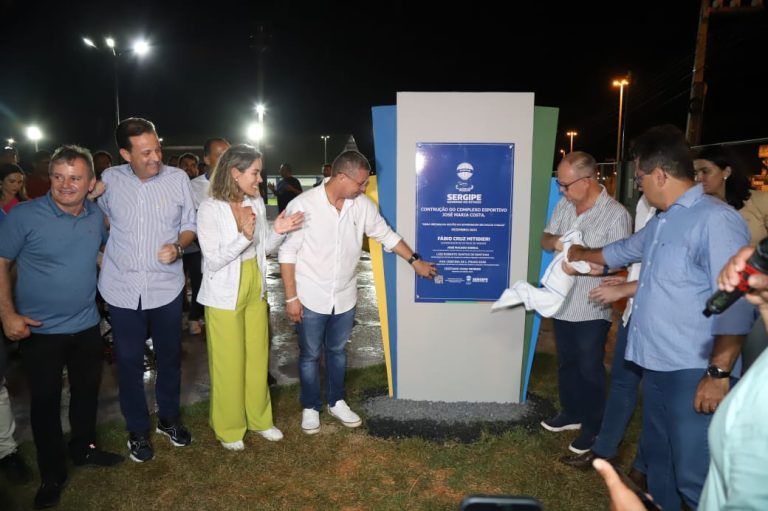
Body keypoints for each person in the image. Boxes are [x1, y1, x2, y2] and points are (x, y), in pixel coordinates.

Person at [568, 125, 754, 510]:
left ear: (660, 175)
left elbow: (736, 299)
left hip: (694, 371)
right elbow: (623, 250)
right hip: (655, 365)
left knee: (695, 476)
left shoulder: (715, 220)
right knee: (661, 464)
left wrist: (718, 373)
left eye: (639, 178)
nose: (639, 186)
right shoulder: (663, 220)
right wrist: (581, 253)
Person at [278, 150, 437, 434]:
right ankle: (311, 407)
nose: (364, 188)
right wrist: (291, 298)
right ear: (341, 177)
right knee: (310, 354)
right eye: (361, 183)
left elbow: (386, 235)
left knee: (338, 351)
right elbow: (287, 253)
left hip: (345, 296)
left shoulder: (362, 206)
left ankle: (336, 401)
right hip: (310, 296)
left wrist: (415, 261)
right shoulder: (303, 205)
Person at [0, 145, 123, 509]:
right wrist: (7, 314)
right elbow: (1, 262)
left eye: (75, 178)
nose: (65, 185)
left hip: (86, 326)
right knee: (45, 404)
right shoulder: (24, 215)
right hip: (39, 331)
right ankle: (52, 474)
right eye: (58, 177)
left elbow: (107, 252)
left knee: (86, 395)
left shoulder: (94, 216)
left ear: (90, 183)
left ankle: (84, 450)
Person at [98, 118, 197, 463]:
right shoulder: (109, 180)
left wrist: (178, 247)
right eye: (145, 153)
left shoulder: (177, 178)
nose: (155, 157)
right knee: (128, 363)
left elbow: (190, 225)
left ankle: (168, 419)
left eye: (157, 149)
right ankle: (137, 429)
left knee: (169, 357)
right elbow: (99, 219)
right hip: (122, 288)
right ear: (125, 154)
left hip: (165, 287)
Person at [196, 145, 303, 450]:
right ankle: (229, 428)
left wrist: (279, 230)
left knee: (257, 358)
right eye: (255, 173)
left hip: (255, 286)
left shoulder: (255, 201)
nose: (260, 179)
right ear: (235, 173)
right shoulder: (209, 209)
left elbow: (264, 246)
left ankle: (260, 420)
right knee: (228, 363)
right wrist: (243, 237)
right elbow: (214, 260)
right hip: (222, 293)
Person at [539, 151, 632, 455]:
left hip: (592, 301)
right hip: (562, 298)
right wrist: (556, 242)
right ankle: (572, 412)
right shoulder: (565, 205)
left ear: (588, 180)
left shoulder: (616, 214)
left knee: (589, 365)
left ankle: (593, 426)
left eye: (565, 185)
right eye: (560, 185)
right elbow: (545, 238)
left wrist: (587, 264)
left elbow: (621, 263)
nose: (561, 191)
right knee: (566, 360)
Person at [560, 195, 654, 490]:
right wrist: (622, 279)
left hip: (663, 321)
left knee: (657, 398)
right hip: (633, 314)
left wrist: (624, 284)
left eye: (642, 177)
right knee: (623, 384)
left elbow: (677, 277)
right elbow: (634, 253)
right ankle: (604, 451)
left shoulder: (706, 218)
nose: (639, 184)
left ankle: (645, 468)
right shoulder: (646, 204)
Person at [188, 138, 231, 335]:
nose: (225, 159)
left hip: (233, 248)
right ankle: (195, 316)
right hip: (202, 247)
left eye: (228, 154)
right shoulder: (193, 186)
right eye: (220, 155)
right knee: (201, 281)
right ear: (206, 159)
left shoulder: (238, 182)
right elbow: (192, 219)